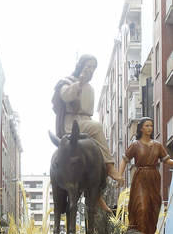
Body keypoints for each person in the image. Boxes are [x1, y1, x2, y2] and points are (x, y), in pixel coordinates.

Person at [52, 55, 122, 186]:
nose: (91, 70)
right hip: (72, 122)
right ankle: (109, 165)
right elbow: (66, 95)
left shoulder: (90, 87)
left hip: (85, 121)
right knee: (97, 127)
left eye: (93, 68)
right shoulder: (66, 81)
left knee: (94, 140)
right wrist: (79, 83)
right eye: (88, 66)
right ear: (80, 66)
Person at [117, 118, 173, 234]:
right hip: (140, 177)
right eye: (147, 126)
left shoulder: (157, 145)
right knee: (141, 206)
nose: (150, 128)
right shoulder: (135, 145)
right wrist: (119, 176)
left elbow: (167, 161)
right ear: (141, 128)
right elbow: (124, 160)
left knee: (153, 207)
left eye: (151, 126)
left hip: (154, 177)